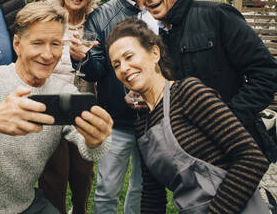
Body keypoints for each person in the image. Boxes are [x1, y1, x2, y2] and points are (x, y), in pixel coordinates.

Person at [0, 1, 113, 214]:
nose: (48, 54)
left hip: (23, 205)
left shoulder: (63, 92)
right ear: (17, 45)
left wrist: (97, 138)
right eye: (37, 43)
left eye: (55, 44)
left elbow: (92, 150)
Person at [106, 17, 270, 213]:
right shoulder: (143, 126)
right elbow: (152, 195)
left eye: (129, 57)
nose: (123, 68)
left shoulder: (188, 93)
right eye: (116, 65)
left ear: (154, 53)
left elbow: (252, 159)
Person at [133, 0, 277, 162]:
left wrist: (228, 120)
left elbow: (267, 73)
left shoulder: (217, 15)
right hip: (192, 152)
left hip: (234, 148)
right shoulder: (161, 34)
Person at [69, 0, 148, 214]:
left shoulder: (160, 9)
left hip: (156, 118)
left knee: (144, 187)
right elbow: (96, 71)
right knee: (107, 190)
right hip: (116, 120)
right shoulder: (101, 16)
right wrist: (83, 57)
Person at [40, 0, 105, 214]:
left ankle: (79, 210)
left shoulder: (98, 21)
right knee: (54, 172)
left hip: (85, 106)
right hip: (52, 105)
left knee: (82, 171)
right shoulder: (49, 18)